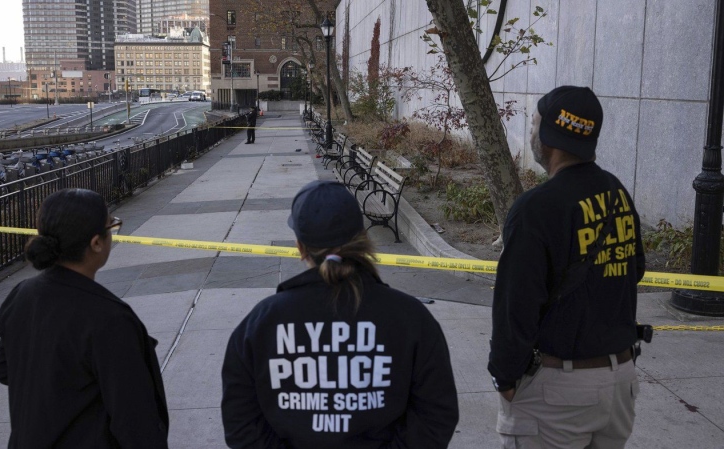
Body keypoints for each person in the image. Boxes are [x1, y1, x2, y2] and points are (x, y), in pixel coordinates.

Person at [221, 180, 459, 449]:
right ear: (363, 239)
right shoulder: (411, 318)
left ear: (300, 247)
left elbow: (240, 423)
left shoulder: (261, 323)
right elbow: (436, 415)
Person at [488, 86, 645, 449]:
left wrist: (505, 378)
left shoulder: (536, 209)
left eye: (534, 124)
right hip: (620, 381)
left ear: (550, 136)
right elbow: (633, 270)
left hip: (558, 394)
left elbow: (516, 307)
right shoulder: (616, 193)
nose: (530, 134)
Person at [0, 188, 169, 448]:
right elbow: (136, 422)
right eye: (111, 226)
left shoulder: (21, 295)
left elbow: (5, 371)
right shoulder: (110, 318)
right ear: (96, 243)